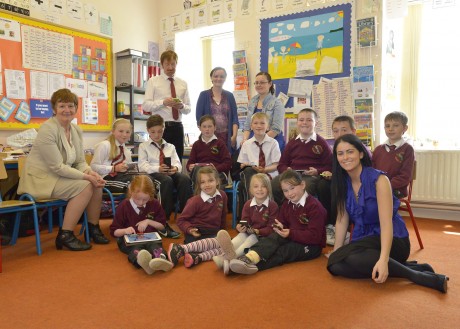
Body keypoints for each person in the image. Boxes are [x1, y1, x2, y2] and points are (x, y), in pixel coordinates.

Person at [327, 134, 448, 293]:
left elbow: (386, 224)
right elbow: (342, 220)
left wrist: (383, 260)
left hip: (393, 241)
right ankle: (408, 267)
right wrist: (337, 252)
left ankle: (415, 275)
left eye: (350, 152)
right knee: (335, 265)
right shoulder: (341, 182)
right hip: (364, 241)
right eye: (340, 153)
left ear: (361, 154)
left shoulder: (380, 180)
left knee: (352, 258)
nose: (345, 157)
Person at [17, 88, 109, 251]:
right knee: (87, 185)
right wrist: (87, 178)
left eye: (71, 106)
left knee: (97, 183)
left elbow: (80, 161)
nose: (67, 110)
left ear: (75, 109)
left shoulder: (76, 130)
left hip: (58, 177)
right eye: (62, 106)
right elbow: (57, 166)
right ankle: (65, 235)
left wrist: (91, 173)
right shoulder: (48, 129)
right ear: (54, 109)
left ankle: (93, 228)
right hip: (41, 180)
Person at [219, 170, 326, 275]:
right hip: (293, 236)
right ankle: (247, 258)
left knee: (284, 251)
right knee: (274, 237)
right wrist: (280, 226)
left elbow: (314, 237)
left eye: (292, 188)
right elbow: (282, 223)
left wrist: (290, 233)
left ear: (302, 185)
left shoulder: (315, 207)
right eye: (285, 191)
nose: (289, 194)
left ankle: (249, 266)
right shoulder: (287, 204)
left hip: (311, 245)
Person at [272, 108, 332, 229]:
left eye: (309, 120)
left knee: (302, 187)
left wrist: (317, 171)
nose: (305, 123)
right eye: (301, 120)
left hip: (311, 176)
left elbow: (330, 165)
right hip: (292, 175)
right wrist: (286, 170)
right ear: (297, 122)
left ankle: (302, 220)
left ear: (316, 123)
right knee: (274, 183)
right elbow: (281, 164)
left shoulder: (321, 142)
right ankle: (285, 216)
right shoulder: (292, 143)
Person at [138, 114, 193, 239]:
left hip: (169, 172)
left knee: (185, 179)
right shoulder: (143, 146)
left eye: (160, 131)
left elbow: (178, 164)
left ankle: (188, 216)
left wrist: (175, 168)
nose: (157, 135)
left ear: (164, 129)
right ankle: (162, 221)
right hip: (152, 175)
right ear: (148, 131)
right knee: (166, 181)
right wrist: (158, 168)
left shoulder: (170, 146)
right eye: (153, 132)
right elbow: (142, 166)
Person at [213, 173, 278, 274]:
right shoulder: (248, 204)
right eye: (256, 186)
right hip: (248, 232)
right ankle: (226, 257)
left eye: (263, 186)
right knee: (240, 236)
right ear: (251, 190)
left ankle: (229, 259)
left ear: (268, 189)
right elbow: (244, 220)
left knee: (250, 239)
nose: (259, 189)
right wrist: (240, 227)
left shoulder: (273, 206)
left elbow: (271, 228)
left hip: (261, 236)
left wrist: (258, 231)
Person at [109, 175, 174, 275]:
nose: (141, 202)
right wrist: (125, 230)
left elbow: (162, 226)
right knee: (136, 250)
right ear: (131, 191)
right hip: (130, 241)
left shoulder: (154, 203)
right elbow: (114, 231)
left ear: (151, 195)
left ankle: (161, 259)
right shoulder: (124, 206)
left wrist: (148, 221)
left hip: (151, 238)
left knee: (155, 247)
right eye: (137, 199)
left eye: (145, 199)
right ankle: (143, 262)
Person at [168, 166, 228, 268]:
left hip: (213, 234)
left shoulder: (222, 196)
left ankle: (197, 257)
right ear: (199, 185)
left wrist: (222, 232)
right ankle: (181, 249)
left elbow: (223, 215)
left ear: (217, 181)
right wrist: (190, 230)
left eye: (210, 181)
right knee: (223, 244)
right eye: (203, 182)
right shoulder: (194, 201)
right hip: (197, 234)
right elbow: (181, 220)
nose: (207, 185)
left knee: (227, 246)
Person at [142, 50, 191, 161]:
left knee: (177, 160)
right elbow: (146, 105)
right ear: (162, 65)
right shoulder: (153, 81)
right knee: (161, 160)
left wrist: (181, 106)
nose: (170, 67)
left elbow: (188, 109)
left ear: (176, 64)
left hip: (178, 127)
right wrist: (163, 103)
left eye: (173, 64)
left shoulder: (183, 83)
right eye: (167, 64)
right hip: (160, 128)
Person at [237, 112, 281, 213]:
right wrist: (246, 165)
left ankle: (272, 214)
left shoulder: (274, 143)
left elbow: (277, 164)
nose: (259, 126)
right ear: (251, 126)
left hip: (270, 175)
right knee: (247, 172)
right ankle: (250, 211)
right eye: (256, 123)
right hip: (253, 175)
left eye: (262, 123)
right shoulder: (246, 144)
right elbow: (242, 164)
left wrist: (264, 169)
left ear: (268, 126)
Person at [372, 111, 415, 198]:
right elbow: (371, 171)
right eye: (387, 126)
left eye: (395, 125)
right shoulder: (378, 149)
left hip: (396, 190)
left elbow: (405, 176)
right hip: (377, 188)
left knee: (373, 202)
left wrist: (385, 186)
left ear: (405, 128)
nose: (390, 129)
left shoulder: (407, 149)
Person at [195, 67, 239, 152]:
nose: (219, 79)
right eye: (216, 76)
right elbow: (199, 118)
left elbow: (235, 118)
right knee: (210, 162)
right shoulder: (203, 95)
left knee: (226, 163)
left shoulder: (229, 96)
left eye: (222, 76)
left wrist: (234, 136)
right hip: (209, 138)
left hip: (227, 138)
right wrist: (206, 134)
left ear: (225, 78)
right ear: (211, 78)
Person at [241, 71, 286, 151]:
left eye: (262, 82)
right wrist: (245, 140)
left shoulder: (277, 103)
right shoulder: (252, 101)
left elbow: (276, 129)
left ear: (270, 84)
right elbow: (247, 125)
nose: (259, 85)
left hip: (271, 139)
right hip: (253, 138)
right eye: (256, 83)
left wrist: (259, 143)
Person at [186, 115, 231, 187]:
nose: (207, 129)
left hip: (216, 173)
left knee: (214, 179)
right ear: (200, 128)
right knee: (198, 171)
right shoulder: (196, 144)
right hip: (200, 174)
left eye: (210, 126)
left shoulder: (220, 143)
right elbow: (189, 163)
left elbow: (227, 163)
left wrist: (215, 168)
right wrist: (190, 167)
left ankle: (215, 197)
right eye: (204, 127)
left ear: (215, 127)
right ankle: (199, 197)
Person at [91, 118, 134, 193]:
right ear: (113, 131)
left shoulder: (126, 150)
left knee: (143, 180)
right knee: (133, 185)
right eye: (121, 131)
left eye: (128, 132)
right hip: (104, 179)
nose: (124, 134)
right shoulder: (104, 145)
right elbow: (93, 167)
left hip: (122, 177)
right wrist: (113, 168)